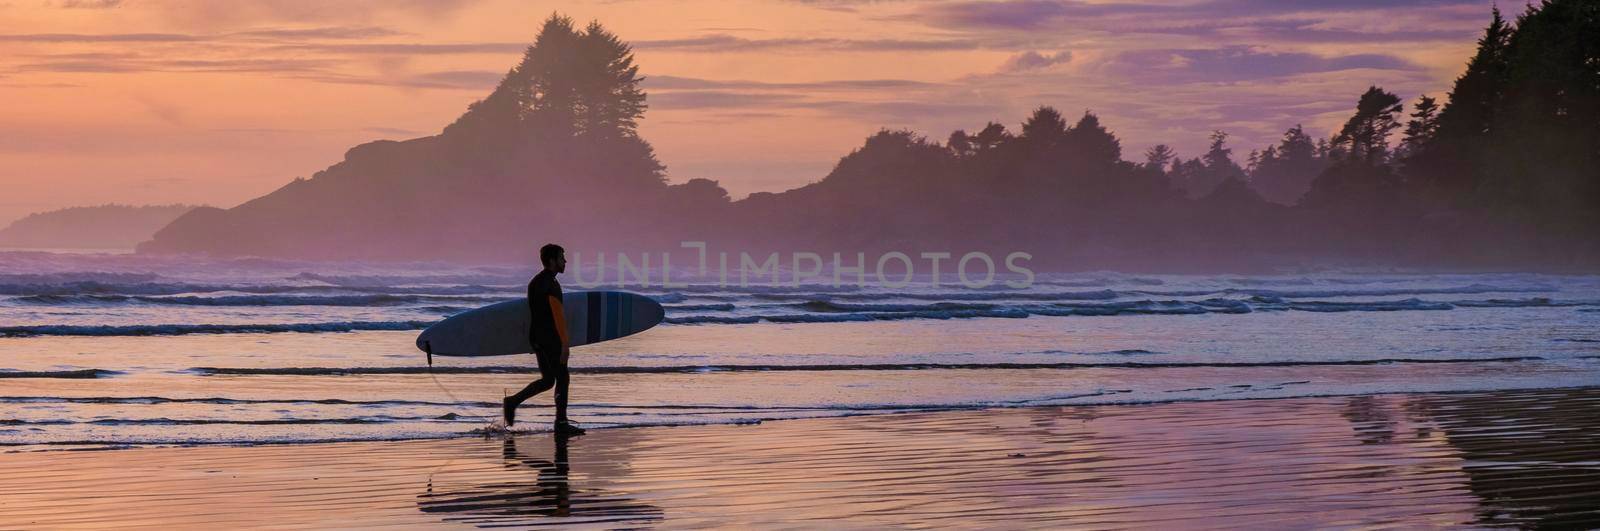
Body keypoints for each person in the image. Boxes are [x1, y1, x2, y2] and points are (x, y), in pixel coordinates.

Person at [503, 243, 585, 435]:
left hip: (538, 337)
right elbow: (558, 316)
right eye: (562, 257)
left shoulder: (537, 281)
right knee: (562, 377)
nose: (565, 261)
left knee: (549, 380)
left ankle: (512, 401)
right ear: (552, 261)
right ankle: (561, 423)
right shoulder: (550, 284)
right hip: (550, 339)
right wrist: (565, 344)